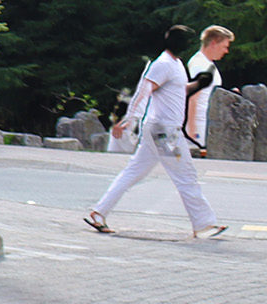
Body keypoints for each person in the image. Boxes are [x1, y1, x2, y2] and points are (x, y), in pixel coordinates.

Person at [86, 24, 226, 239]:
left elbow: (176, 91)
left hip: (159, 129)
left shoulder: (175, 64)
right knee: (186, 175)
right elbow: (145, 89)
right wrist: (130, 117)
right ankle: (204, 224)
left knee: (133, 172)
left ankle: (99, 212)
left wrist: (197, 84)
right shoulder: (163, 64)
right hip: (165, 131)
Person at [185, 25, 235, 158]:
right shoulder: (199, 65)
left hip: (204, 125)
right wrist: (191, 132)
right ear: (213, 43)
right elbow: (192, 98)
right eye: (224, 46)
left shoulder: (207, 64)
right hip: (198, 127)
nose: (226, 51)